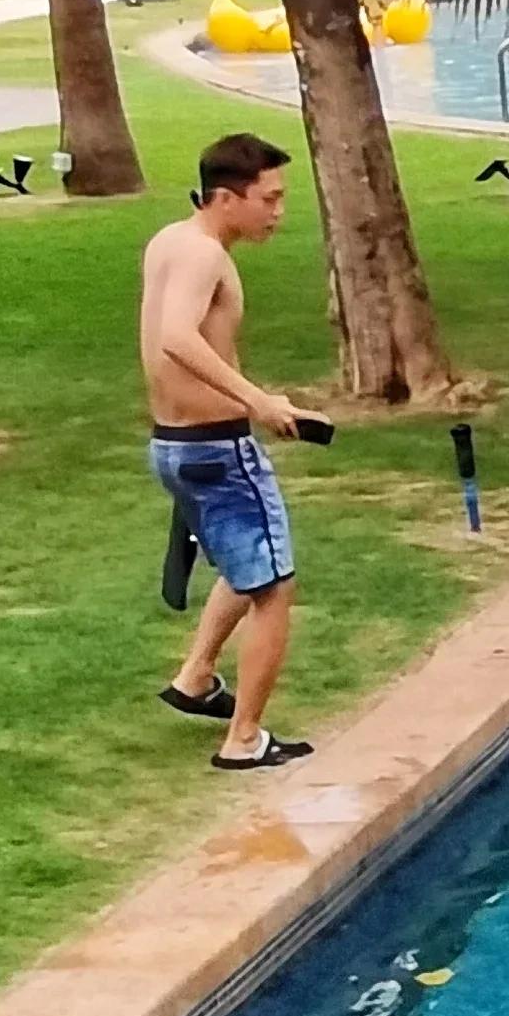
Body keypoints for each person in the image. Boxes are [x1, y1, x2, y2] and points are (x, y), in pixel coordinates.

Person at [141, 133, 321, 771]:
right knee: (276, 585)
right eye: (269, 199)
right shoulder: (204, 257)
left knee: (247, 567)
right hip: (218, 450)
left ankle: (196, 677)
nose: (278, 211)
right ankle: (244, 740)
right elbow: (175, 339)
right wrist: (261, 402)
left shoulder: (171, 240)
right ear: (226, 197)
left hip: (174, 448)